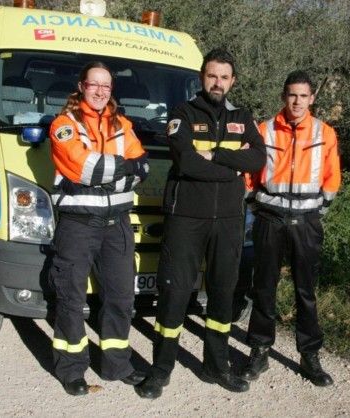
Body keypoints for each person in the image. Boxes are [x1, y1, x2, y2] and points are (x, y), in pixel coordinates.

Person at [135, 48, 266, 399]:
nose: (218, 82)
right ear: (201, 77)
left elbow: (257, 158)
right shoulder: (182, 112)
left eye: (224, 77)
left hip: (228, 221)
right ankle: (160, 370)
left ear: (233, 81)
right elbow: (188, 163)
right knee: (175, 293)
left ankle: (216, 366)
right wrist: (230, 169)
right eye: (212, 76)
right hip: (186, 219)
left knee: (223, 293)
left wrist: (218, 154)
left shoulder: (243, 115)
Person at [48, 61, 150, 396]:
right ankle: (71, 370)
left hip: (118, 224)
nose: (100, 91)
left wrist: (112, 169)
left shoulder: (122, 124)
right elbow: (83, 167)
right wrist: (123, 168)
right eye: (94, 85)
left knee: (121, 296)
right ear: (81, 86)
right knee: (70, 299)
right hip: (78, 225)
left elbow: (144, 166)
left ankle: (116, 365)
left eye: (106, 86)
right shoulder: (64, 125)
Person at [240, 70, 341, 386]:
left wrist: (316, 211)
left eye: (303, 96)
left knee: (305, 291)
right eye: (291, 95)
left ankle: (309, 356)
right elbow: (248, 176)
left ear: (311, 99)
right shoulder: (264, 130)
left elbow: (332, 177)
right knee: (264, 288)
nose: (297, 101)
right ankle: (259, 350)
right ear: (284, 96)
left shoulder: (325, 133)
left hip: (306, 224)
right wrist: (257, 207)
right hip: (270, 220)